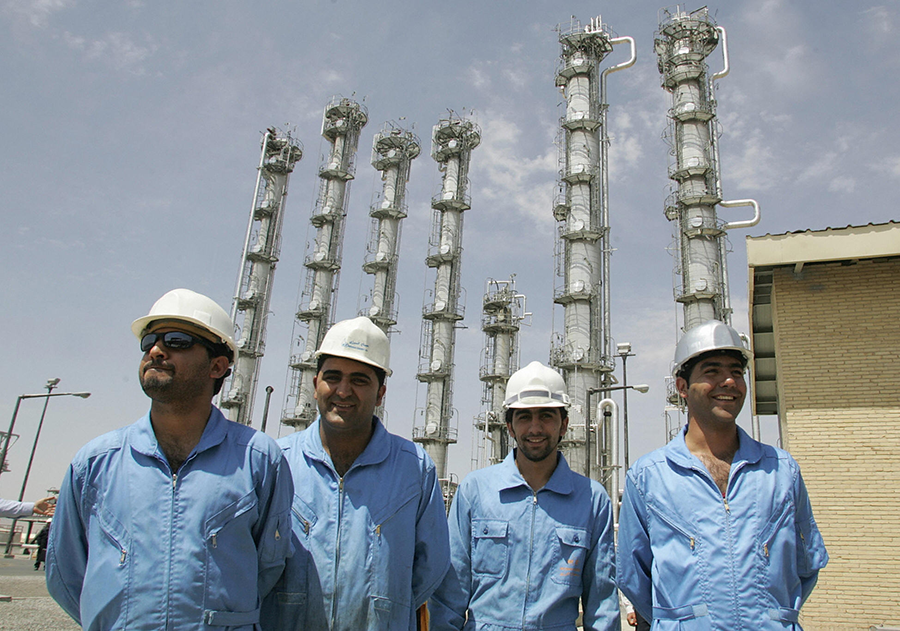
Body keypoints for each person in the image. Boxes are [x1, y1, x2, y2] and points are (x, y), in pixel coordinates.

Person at [47, 288, 294, 631]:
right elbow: (66, 573)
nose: (156, 350)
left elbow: (268, 566)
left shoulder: (258, 460)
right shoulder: (95, 464)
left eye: (178, 341)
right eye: (149, 340)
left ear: (218, 366)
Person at [617, 320, 828, 629]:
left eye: (736, 372)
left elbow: (806, 564)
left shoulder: (781, 471)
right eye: (712, 371)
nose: (728, 382)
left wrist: (771, 617)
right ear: (682, 387)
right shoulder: (649, 477)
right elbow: (632, 575)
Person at [260, 316, 450, 630]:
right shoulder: (277, 463)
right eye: (332, 377)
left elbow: (431, 568)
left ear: (380, 393)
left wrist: (385, 610)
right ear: (315, 384)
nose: (343, 391)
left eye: (360, 380)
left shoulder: (414, 469)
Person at [429, 361, 619, 631]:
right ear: (509, 426)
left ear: (563, 425)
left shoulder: (591, 499)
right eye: (524, 416)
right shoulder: (476, 491)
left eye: (546, 416)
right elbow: (450, 593)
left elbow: (602, 603)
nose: (535, 428)